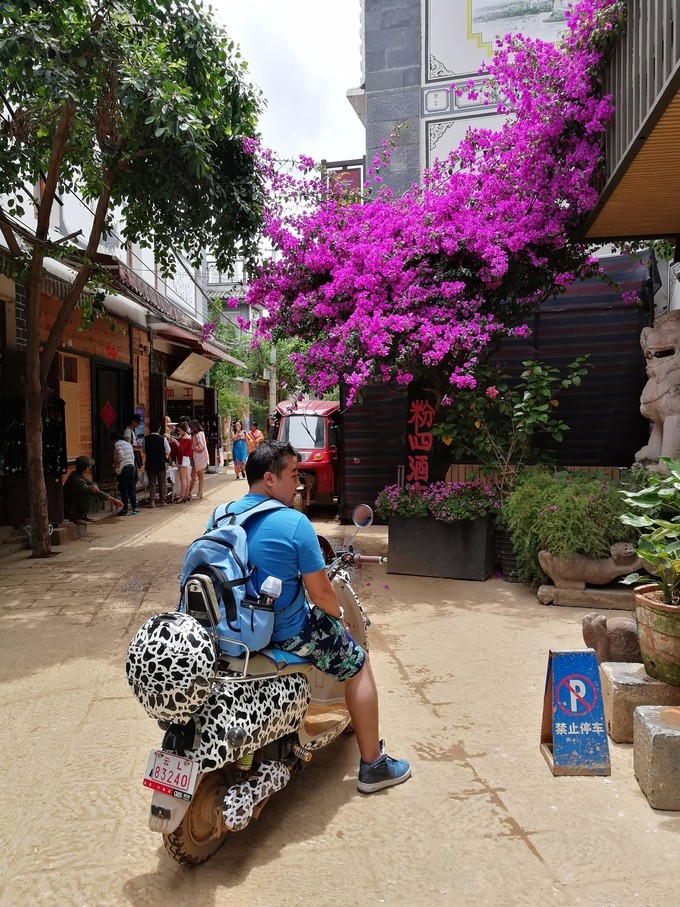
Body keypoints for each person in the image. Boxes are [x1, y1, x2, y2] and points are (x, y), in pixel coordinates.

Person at [228, 441, 411, 794]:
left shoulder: (222, 515)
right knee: (356, 660)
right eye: (293, 475)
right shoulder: (293, 523)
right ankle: (374, 765)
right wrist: (336, 618)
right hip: (283, 632)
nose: (298, 483)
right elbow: (322, 592)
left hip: (231, 630)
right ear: (269, 479)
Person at [63, 456, 123, 524]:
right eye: (89, 467)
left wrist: (95, 485)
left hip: (72, 505)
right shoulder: (77, 480)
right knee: (93, 493)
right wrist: (113, 500)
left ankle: (82, 516)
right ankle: (76, 517)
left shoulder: (77, 475)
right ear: (86, 468)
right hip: (69, 509)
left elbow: (91, 483)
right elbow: (94, 491)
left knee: (94, 491)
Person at [143, 422, 170, 507]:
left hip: (150, 463)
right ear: (159, 429)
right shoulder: (163, 439)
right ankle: (162, 501)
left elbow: (144, 450)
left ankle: (152, 502)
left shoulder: (146, 439)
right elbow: (168, 450)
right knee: (162, 483)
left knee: (152, 483)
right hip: (160, 463)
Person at [112, 431, 138, 515]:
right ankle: (135, 509)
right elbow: (133, 456)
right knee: (131, 488)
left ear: (114, 439)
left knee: (124, 489)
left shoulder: (117, 444)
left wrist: (115, 464)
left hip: (124, 467)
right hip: (132, 466)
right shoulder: (128, 444)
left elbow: (120, 456)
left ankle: (125, 509)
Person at [188, 419, 209, 500]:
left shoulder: (198, 434)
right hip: (195, 456)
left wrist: (192, 448)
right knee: (194, 474)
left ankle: (199, 492)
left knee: (198, 474)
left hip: (198, 457)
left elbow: (201, 446)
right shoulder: (197, 434)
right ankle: (190, 492)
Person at [175, 423, 192, 502]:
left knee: (183, 479)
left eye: (178, 430)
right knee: (186, 478)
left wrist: (175, 441)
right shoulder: (186, 437)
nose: (177, 432)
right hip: (185, 458)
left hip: (183, 458)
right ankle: (186, 494)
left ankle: (182, 496)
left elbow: (181, 448)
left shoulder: (186, 438)